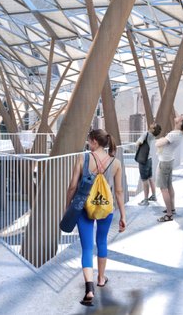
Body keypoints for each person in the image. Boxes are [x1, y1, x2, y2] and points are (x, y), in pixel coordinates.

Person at [64, 129, 126, 306]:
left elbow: (72, 186)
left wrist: (68, 206)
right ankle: (100, 279)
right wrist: (123, 215)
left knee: (86, 248)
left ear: (95, 142)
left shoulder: (83, 158)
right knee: (102, 242)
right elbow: (119, 191)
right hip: (106, 208)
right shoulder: (116, 163)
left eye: (89, 141)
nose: (87, 144)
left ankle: (89, 289)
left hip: (84, 208)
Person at [155, 114, 183, 222]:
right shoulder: (179, 134)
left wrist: (160, 139)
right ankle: (172, 208)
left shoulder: (173, 134)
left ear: (180, 123)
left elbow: (158, 143)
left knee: (163, 188)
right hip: (169, 161)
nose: (179, 115)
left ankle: (169, 214)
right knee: (169, 185)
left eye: (181, 116)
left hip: (164, 162)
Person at [135, 123, 161, 206]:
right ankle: (153, 196)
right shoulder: (152, 136)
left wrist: (138, 143)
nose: (152, 123)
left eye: (154, 125)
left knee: (144, 180)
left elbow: (138, 143)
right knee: (150, 178)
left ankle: (146, 200)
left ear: (153, 129)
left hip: (144, 160)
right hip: (149, 159)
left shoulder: (145, 134)